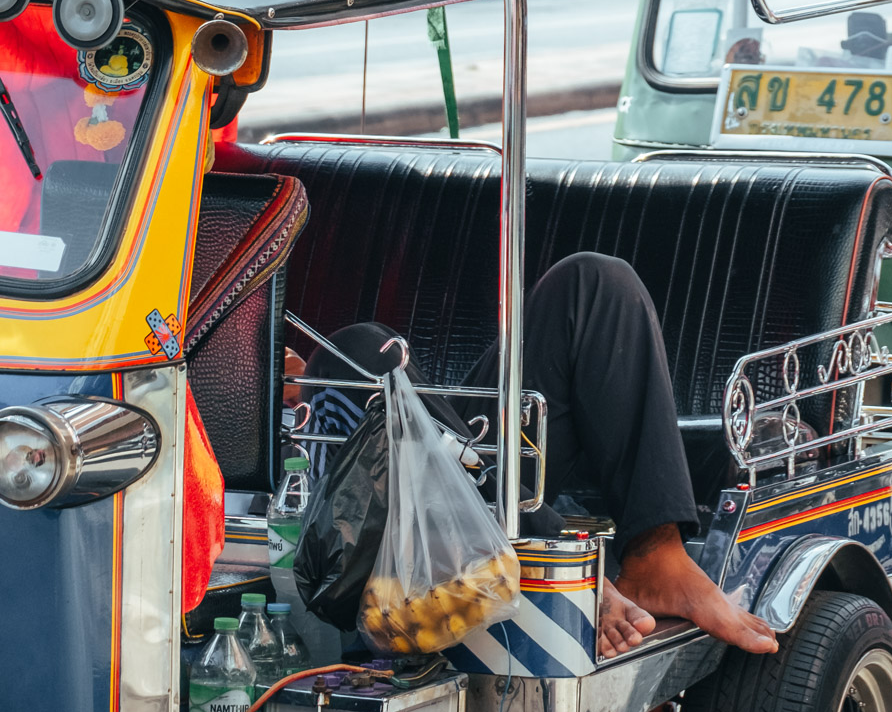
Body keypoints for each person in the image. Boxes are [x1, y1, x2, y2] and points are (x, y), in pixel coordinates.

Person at [293, 251, 779, 661]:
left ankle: (656, 554)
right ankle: (559, 555)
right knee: (354, 350)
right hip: (338, 502)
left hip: (421, 461)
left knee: (594, 281)